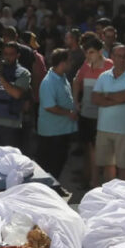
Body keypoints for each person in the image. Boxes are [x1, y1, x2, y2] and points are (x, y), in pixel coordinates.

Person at [91, 43, 125, 182]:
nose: (121, 59)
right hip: (104, 128)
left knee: (124, 168)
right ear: (112, 57)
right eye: (118, 56)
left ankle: (124, 194)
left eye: (124, 56)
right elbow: (95, 98)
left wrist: (106, 95)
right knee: (107, 166)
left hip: (124, 130)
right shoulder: (103, 76)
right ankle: (109, 192)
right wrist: (118, 97)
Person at [73, 37, 112, 190]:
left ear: (100, 51)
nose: (88, 56)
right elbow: (76, 81)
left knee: (100, 151)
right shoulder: (86, 64)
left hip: (102, 115)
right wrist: (76, 101)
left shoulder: (110, 66)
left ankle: (96, 183)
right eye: (86, 53)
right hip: (86, 114)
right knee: (89, 150)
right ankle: (90, 180)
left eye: (91, 52)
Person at [36, 47, 78, 179]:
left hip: (62, 131)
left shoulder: (62, 77)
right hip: (52, 133)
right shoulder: (49, 82)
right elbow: (50, 106)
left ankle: (54, 185)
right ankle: (49, 188)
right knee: (50, 166)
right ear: (63, 63)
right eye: (69, 61)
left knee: (59, 163)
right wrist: (69, 113)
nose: (71, 63)